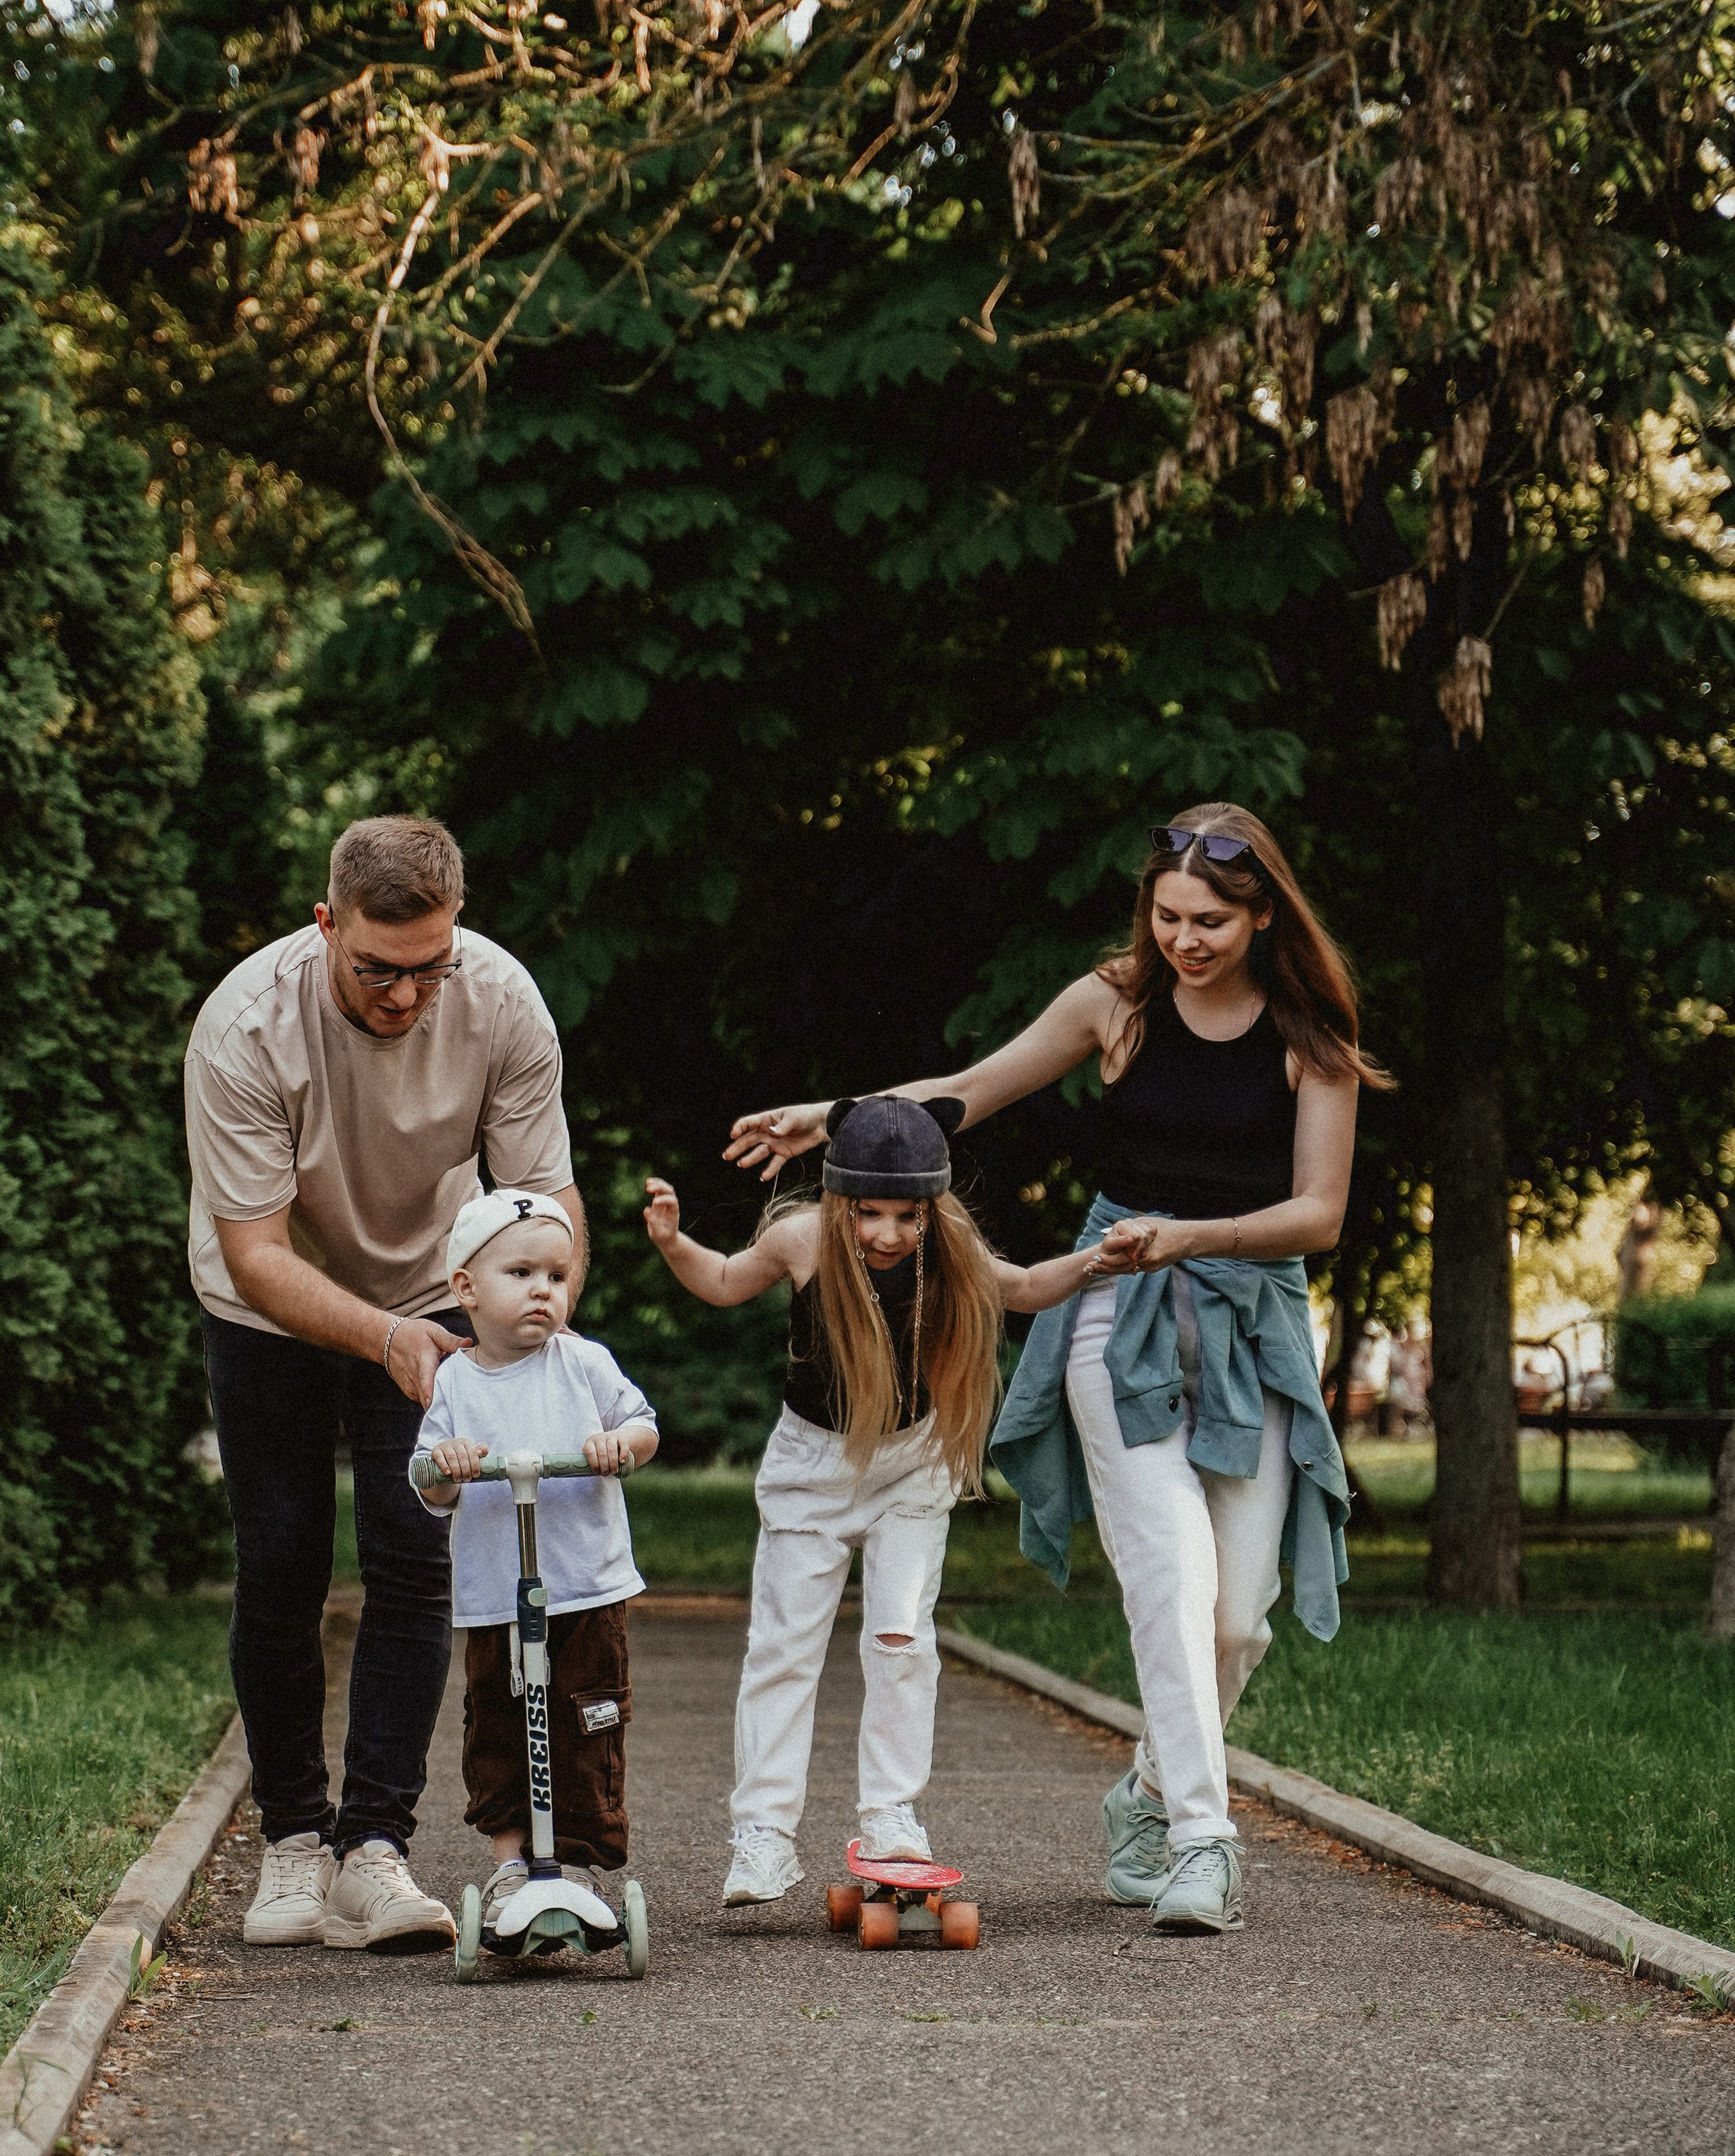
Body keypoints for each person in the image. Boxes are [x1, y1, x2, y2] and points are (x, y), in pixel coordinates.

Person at [726, 803, 1389, 1937]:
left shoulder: (1310, 1033)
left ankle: (1147, 1787)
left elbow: (1318, 1215)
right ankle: (1202, 1839)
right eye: (1169, 916)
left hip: (1253, 1319)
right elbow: (972, 1091)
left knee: (1238, 1617)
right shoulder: (1115, 1002)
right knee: (1168, 1578)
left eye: (1213, 922)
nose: (1185, 940)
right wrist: (833, 1120)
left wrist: (1195, 1235)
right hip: (1113, 1302)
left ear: (1264, 913)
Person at [184, 814, 584, 1953]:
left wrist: (536, 1326)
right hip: (268, 1302)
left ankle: (375, 1849)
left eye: (428, 968)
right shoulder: (245, 1027)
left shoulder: (503, 1001)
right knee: (283, 1556)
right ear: (327, 927)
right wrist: (383, 1339)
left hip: (434, 1292)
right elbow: (258, 1252)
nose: (405, 997)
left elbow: (547, 1202)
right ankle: (295, 1844)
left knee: (414, 1561)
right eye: (377, 970)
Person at [644, 1095, 1112, 1906]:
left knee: (902, 1640)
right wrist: (672, 1241)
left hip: (913, 1466)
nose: (888, 1234)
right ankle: (762, 1834)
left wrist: (1099, 1259)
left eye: (907, 1215)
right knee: (783, 1647)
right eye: (868, 1213)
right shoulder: (799, 1239)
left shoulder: (952, 1246)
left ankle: (892, 1816)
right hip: (809, 1466)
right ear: (837, 1200)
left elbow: (1030, 1287)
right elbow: (721, 1282)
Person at [410, 1192, 658, 1927]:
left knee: (588, 1717)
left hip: (584, 1584)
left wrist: (620, 1447)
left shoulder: (582, 1362)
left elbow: (639, 1425)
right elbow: (426, 1477)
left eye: (556, 1274)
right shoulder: (456, 1380)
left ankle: (576, 1862)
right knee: (498, 1719)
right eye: (520, 1272)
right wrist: (447, 1463)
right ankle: (511, 1866)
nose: (542, 1289)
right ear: (466, 1288)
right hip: (496, 1593)